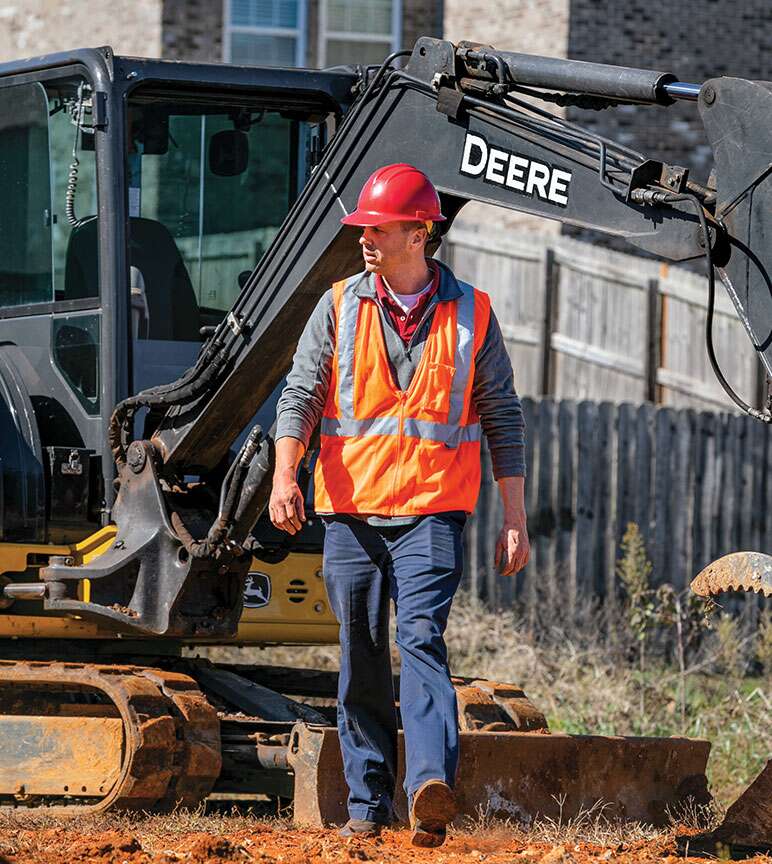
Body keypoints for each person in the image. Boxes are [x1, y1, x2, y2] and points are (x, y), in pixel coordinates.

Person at [269, 163, 529, 847]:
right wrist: (283, 477)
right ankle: (366, 800)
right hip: (352, 512)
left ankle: (428, 788)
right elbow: (299, 397)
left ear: (419, 232)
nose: (365, 238)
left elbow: (502, 417)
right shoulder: (338, 305)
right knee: (361, 649)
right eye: (363, 227)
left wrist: (515, 519)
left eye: (377, 227)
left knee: (420, 640)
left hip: (433, 512)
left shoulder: (474, 313)